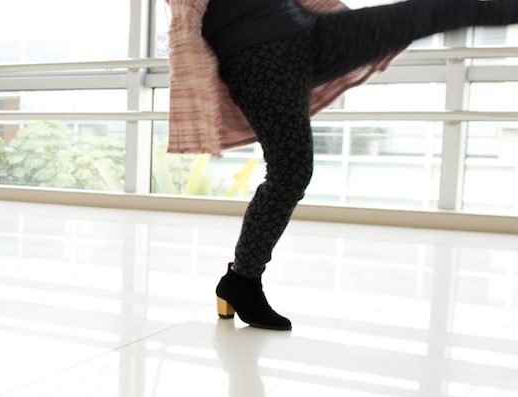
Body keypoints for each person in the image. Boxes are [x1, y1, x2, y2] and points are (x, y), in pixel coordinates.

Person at [167, 0, 518, 330]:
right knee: (291, 172)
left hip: (312, 34)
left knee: (430, 10)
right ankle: (241, 281)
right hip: (257, 56)